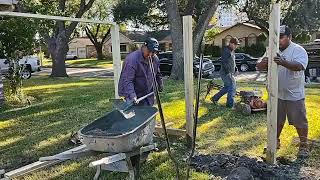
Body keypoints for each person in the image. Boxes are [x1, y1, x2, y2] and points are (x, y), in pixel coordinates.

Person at [256, 25, 309, 157]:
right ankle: (274, 142)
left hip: (294, 95)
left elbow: (300, 66)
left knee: (299, 121)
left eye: (282, 37)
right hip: (276, 94)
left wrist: (283, 62)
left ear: (290, 37)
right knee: (276, 121)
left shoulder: (298, 50)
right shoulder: (272, 49)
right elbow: (259, 66)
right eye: (276, 37)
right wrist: (263, 64)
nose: (278, 40)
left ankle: (303, 146)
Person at [118, 37, 163, 106]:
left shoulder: (155, 59)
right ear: (143, 47)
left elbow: (157, 74)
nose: (151, 54)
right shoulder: (132, 60)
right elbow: (127, 80)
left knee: (149, 113)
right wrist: (132, 95)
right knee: (134, 115)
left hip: (147, 93)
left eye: (154, 52)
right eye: (149, 51)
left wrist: (160, 84)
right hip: (132, 93)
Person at [211, 37, 240, 108]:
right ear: (231, 43)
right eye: (235, 44)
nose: (236, 46)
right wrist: (228, 73)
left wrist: (236, 69)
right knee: (232, 86)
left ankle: (214, 98)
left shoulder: (232, 51)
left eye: (237, 45)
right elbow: (224, 62)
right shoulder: (226, 50)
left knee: (227, 87)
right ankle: (230, 105)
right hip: (225, 72)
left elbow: (233, 62)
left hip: (229, 72)